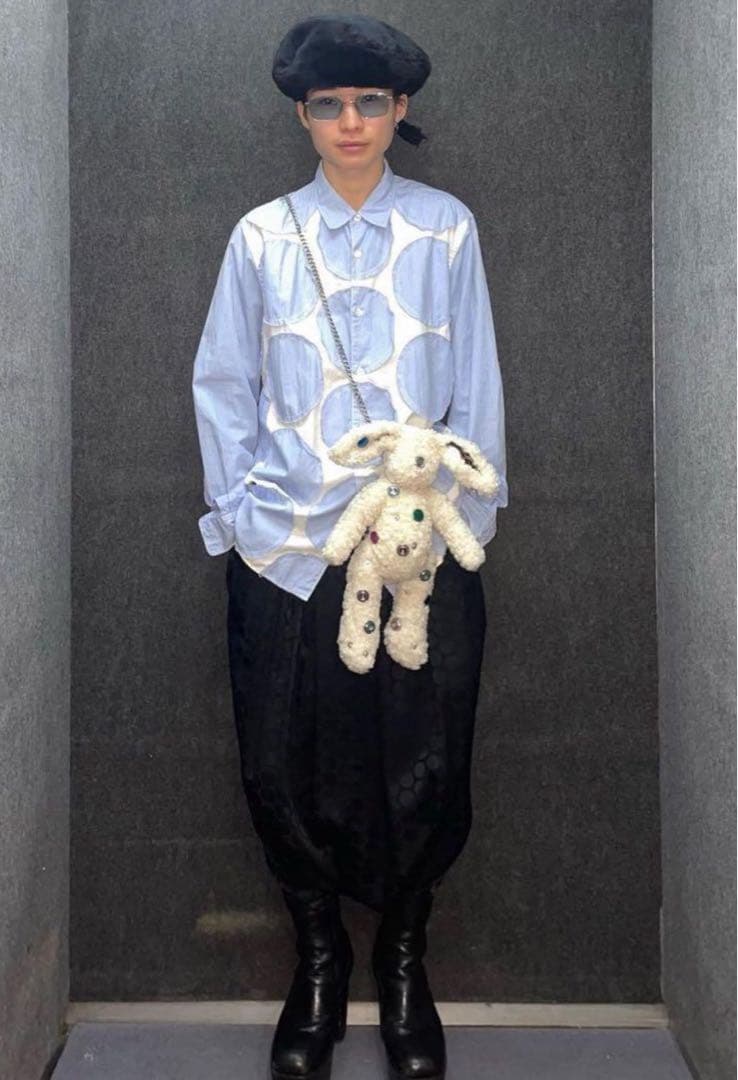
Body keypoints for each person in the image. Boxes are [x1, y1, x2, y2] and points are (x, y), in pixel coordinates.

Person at [191, 13, 508, 1080]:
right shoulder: (262, 237)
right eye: (327, 104)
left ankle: (406, 964)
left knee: (424, 755)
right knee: (283, 761)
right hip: (290, 551)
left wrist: (467, 525)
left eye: (371, 101)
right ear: (303, 115)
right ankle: (319, 965)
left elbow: (477, 386)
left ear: (400, 107)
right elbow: (224, 384)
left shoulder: (446, 229)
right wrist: (242, 518)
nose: (351, 122)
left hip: (416, 549)